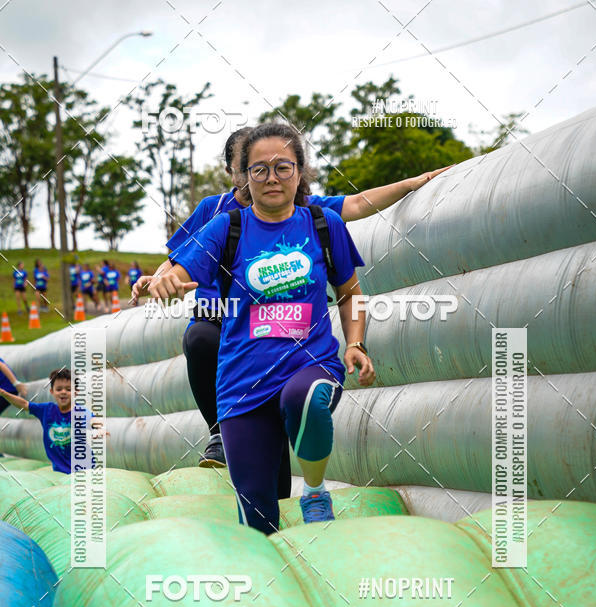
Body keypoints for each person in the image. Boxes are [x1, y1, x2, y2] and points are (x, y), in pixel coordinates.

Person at [133, 126, 450, 476]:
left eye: (278, 167)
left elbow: (358, 203)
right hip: (221, 312)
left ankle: (286, 457)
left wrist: (411, 184)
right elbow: (180, 258)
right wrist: (158, 277)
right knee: (198, 339)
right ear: (235, 171)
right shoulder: (216, 211)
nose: (267, 176)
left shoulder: (297, 209)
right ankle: (220, 431)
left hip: (268, 320)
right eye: (252, 167)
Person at [145, 122, 376, 534]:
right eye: (260, 169)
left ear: (300, 172)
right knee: (259, 523)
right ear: (244, 177)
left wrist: (355, 342)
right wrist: (166, 280)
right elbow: (182, 270)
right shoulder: (226, 228)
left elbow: (349, 291)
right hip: (242, 386)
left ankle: (316, 490)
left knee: (304, 399)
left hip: (312, 363)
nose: (272, 177)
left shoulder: (324, 225)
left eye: (283, 167)